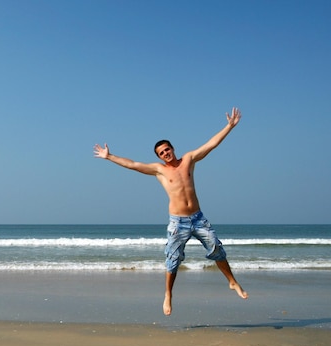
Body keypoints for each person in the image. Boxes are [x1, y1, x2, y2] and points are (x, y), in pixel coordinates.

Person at [93, 107, 248, 316]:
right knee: (173, 260)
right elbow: (133, 164)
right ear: (159, 156)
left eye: (167, 149)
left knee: (217, 249)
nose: (166, 153)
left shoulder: (188, 160)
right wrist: (109, 156)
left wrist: (229, 126)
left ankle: (232, 282)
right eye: (161, 153)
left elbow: (211, 144)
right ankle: (168, 294)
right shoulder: (160, 170)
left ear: (173, 148)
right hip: (178, 222)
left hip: (198, 219)